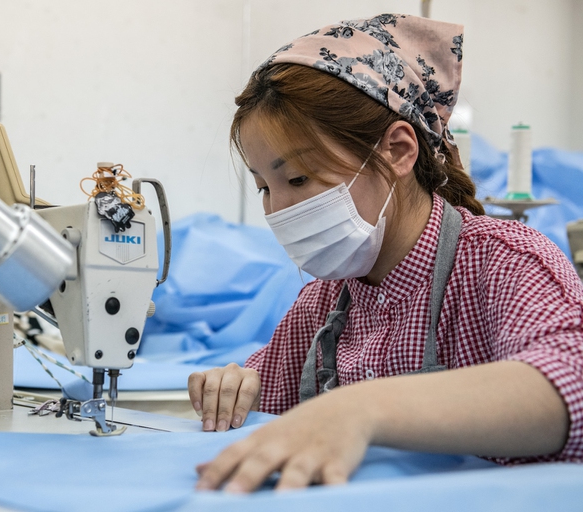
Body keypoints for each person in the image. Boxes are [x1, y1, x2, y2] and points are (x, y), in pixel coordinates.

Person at [188, 13, 583, 493]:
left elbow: (570, 382)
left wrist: (363, 409)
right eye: (264, 189)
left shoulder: (502, 263)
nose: (280, 210)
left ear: (397, 150)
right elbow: (264, 394)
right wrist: (231, 388)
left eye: (297, 179)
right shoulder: (324, 306)